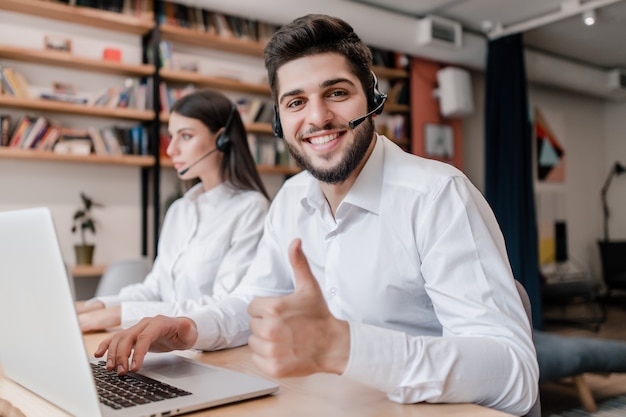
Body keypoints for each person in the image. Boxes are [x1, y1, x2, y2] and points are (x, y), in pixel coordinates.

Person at [94, 15, 539, 415]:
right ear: (279, 122)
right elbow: (252, 302)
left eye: (337, 93)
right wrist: (192, 328)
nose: (319, 117)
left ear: (374, 98)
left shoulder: (438, 195)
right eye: (295, 102)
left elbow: (514, 375)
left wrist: (345, 348)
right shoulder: (291, 199)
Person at [76, 89, 271, 332]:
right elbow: (155, 288)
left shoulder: (251, 209)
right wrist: (95, 307)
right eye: (171, 136)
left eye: (186, 136)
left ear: (222, 139)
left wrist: (121, 315)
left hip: (208, 346)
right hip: (165, 343)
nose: (171, 150)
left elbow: (225, 306)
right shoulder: (180, 209)